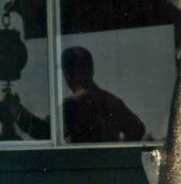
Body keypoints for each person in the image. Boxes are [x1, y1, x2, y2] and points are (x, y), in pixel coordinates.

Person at [5, 46, 145, 143]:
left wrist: (14, 108)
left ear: (67, 75)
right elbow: (138, 129)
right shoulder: (111, 101)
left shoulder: (72, 105)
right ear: (92, 70)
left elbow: (43, 131)